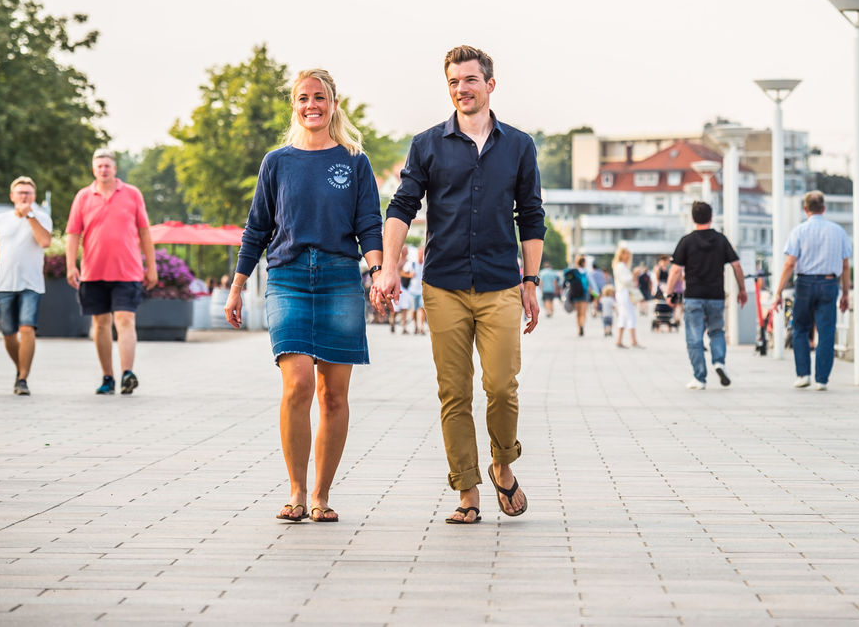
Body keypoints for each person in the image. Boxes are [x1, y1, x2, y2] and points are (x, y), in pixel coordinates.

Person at [372, 45, 544, 525]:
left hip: (500, 284)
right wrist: (388, 267)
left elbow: (531, 215)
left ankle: (502, 465)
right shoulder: (427, 144)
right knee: (454, 391)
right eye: (453, 82)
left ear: (490, 84)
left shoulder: (518, 145)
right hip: (443, 284)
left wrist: (531, 280)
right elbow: (402, 206)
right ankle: (467, 492)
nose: (462, 89)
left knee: (501, 384)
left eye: (470, 80)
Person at [226, 68, 383, 524]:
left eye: (320, 97)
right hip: (288, 278)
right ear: (294, 106)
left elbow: (369, 224)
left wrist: (376, 273)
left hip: (339, 279)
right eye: (303, 98)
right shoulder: (277, 162)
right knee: (297, 384)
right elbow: (256, 229)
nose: (311, 105)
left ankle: (321, 494)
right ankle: (295, 489)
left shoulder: (355, 161)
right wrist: (236, 288)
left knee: (333, 395)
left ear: (334, 104)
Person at [66, 149, 158, 395]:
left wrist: (152, 266)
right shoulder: (83, 197)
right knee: (101, 323)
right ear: (93, 169)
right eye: (99, 166)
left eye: (107, 165)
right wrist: (70, 265)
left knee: (126, 319)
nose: (103, 169)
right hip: (92, 271)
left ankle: (127, 373)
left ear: (115, 169)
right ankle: (108, 377)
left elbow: (145, 232)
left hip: (127, 271)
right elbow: (73, 233)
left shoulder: (132, 194)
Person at [0, 177, 52, 395]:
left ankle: (23, 378)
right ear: (12, 196)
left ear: (34, 196)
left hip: (32, 285)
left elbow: (45, 242)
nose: (24, 196)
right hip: (5, 284)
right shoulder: (1, 220)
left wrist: (30, 216)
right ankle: (20, 369)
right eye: (20, 193)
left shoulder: (42, 218)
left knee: (27, 328)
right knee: (8, 334)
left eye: (28, 193)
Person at [771, 190, 852, 390]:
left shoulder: (798, 231)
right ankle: (822, 379)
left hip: (805, 283)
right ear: (824, 208)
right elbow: (845, 265)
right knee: (826, 331)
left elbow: (790, 263)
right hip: (829, 283)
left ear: (805, 209)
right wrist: (845, 293)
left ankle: (803, 374)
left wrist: (778, 292)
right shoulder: (838, 231)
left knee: (800, 328)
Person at [666, 201, 747, 390]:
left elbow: (675, 271)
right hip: (716, 295)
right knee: (717, 331)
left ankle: (699, 378)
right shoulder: (721, 240)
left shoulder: (686, 241)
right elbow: (736, 265)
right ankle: (719, 362)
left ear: (693, 218)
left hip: (693, 295)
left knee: (694, 338)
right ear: (711, 217)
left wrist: (669, 293)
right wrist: (742, 289)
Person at [611, 246, 642, 349]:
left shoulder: (622, 266)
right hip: (624, 293)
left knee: (623, 316)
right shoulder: (620, 266)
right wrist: (634, 274)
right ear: (621, 255)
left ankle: (619, 340)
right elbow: (626, 281)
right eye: (626, 254)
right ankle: (633, 341)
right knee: (630, 315)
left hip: (624, 292)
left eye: (629, 254)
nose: (628, 256)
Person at [564, 255, 591, 336]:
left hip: (575, 294)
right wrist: (595, 294)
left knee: (578, 313)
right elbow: (590, 284)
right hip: (584, 294)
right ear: (583, 263)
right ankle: (582, 325)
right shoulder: (586, 272)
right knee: (583, 313)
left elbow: (567, 280)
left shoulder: (573, 271)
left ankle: (579, 328)